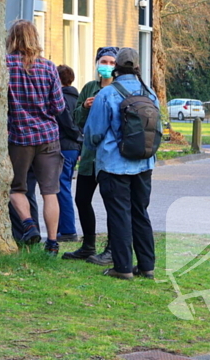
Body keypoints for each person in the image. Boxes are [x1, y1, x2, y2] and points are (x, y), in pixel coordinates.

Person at [83, 47, 157, 280]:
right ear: (137, 67)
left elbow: (93, 133)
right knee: (140, 213)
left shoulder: (107, 94)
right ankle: (147, 266)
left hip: (114, 164)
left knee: (119, 215)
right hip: (144, 164)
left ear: (116, 66)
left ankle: (123, 268)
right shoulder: (150, 93)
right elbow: (158, 130)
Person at [5, 20, 66, 255]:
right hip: (49, 137)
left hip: (19, 137)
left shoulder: (5, 65)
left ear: (12, 38)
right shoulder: (49, 67)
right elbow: (58, 106)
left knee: (15, 187)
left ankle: (28, 224)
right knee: (50, 192)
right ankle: (52, 242)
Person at [63, 46, 118, 265]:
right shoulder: (89, 88)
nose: (107, 66)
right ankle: (88, 245)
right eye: (103, 62)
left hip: (110, 157)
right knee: (82, 199)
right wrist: (86, 107)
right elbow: (76, 120)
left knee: (112, 202)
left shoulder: (118, 89)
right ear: (96, 64)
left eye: (112, 63)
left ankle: (112, 249)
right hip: (88, 156)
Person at [54, 65, 83, 242]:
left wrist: (76, 137)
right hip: (74, 149)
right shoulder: (78, 99)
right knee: (64, 186)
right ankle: (62, 226)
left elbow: (67, 124)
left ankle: (67, 229)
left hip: (64, 145)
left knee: (61, 187)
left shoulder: (61, 99)